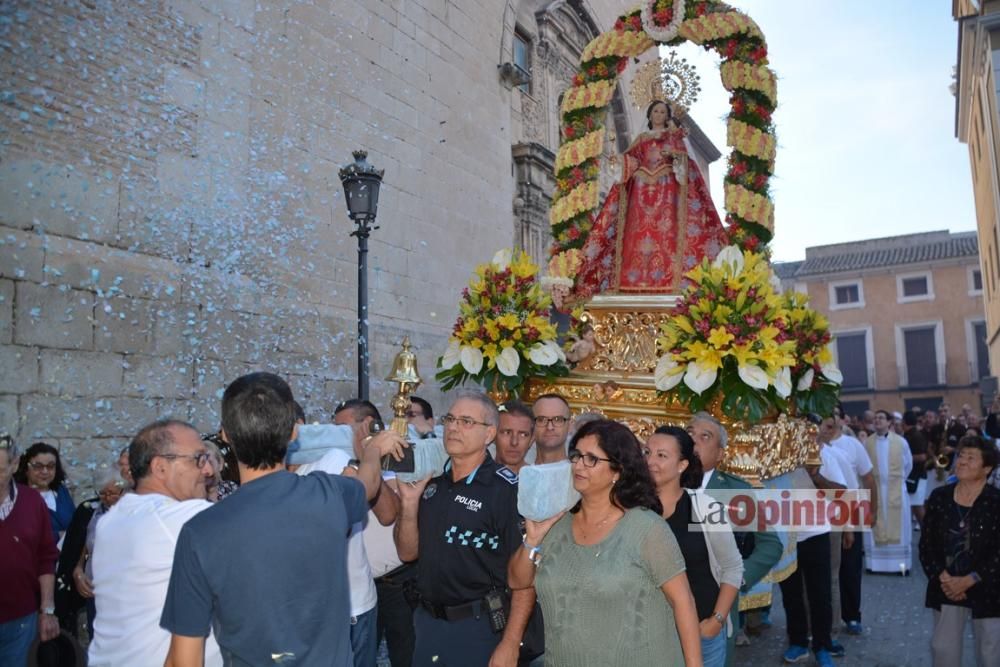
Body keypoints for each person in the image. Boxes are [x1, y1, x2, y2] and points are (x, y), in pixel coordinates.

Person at [160, 373, 404, 666]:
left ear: (225, 434)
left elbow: (184, 659)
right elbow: (369, 484)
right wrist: (373, 450)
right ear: (293, 433)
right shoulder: (328, 495)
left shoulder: (200, 532)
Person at [509, 419, 702, 666]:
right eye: (576, 456)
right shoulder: (556, 523)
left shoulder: (646, 528)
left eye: (591, 459)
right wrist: (533, 540)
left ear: (618, 470)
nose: (579, 465)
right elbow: (518, 581)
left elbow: (683, 602)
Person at [394, 390, 532, 666]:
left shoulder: (505, 491)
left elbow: (526, 577)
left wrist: (510, 643)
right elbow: (407, 553)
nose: (454, 428)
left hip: (477, 627)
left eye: (467, 422)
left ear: (489, 434)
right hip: (427, 623)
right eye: (450, 419)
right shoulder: (432, 484)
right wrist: (409, 504)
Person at [87, 420, 223, 667]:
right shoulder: (181, 519)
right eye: (199, 459)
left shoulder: (111, 520)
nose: (208, 471)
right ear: (160, 467)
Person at [571, 99, 726, 300]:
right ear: (650, 115)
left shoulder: (673, 138)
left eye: (663, 112)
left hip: (667, 192)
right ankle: (631, 280)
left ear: (667, 116)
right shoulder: (642, 139)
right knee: (637, 231)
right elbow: (632, 160)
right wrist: (621, 160)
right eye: (655, 111)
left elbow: (684, 165)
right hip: (640, 193)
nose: (659, 115)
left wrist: (675, 155)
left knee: (666, 231)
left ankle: (668, 278)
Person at [687, 412, 783, 664]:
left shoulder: (735, 491)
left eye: (704, 437)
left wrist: (737, 579)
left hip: (714, 608)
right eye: (689, 434)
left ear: (720, 454)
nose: (693, 441)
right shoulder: (660, 484)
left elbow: (770, 545)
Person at [646, 426, 743, 667]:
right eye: (647, 452)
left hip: (702, 631)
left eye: (662, 455)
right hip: (648, 637)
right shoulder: (633, 509)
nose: (650, 461)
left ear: (682, 465)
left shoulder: (704, 508)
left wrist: (716, 620)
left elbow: (732, 567)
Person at [919, 436, 1000, 666]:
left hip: (989, 586)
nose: (962, 461)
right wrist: (944, 578)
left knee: (991, 653)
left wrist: (971, 579)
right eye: (961, 456)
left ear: (987, 468)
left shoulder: (996, 502)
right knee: (944, 651)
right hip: (946, 586)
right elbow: (927, 546)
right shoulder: (939, 497)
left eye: (971, 458)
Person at [778, 415, 848, 667]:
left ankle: (822, 645)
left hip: (816, 532)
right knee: (791, 593)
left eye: (809, 431)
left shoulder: (825, 456)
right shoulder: (779, 455)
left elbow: (841, 493)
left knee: (820, 593)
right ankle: (797, 641)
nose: (805, 436)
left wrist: (816, 477)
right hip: (786, 533)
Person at [0, 433, 60, 665]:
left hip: (21, 621)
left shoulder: (33, 502)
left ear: (15, 465)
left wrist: (48, 610)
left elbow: (46, 558)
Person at [827, 404, 877, 636]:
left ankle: (852, 615)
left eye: (835, 414)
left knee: (850, 565)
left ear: (842, 419)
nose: (831, 419)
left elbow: (868, 478)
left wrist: (872, 510)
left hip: (851, 509)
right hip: (819, 513)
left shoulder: (852, 445)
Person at [71, 467, 126, 637]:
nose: (107, 498)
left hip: (123, 593)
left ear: (123, 491)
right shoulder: (91, 512)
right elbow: (82, 547)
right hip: (95, 590)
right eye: (102, 493)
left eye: (112, 493)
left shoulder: (132, 513)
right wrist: (78, 570)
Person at [864, 410, 914, 573]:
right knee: (876, 524)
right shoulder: (867, 443)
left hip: (895, 491)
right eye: (876, 418)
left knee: (899, 526)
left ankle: (900, 565)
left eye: (881, 418)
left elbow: (908, 465)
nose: (877, 420)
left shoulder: (901, 442)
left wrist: (897, 481)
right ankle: (875, 565)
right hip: (876, 490)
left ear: (889, 423)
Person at [14, 442, 76, 547]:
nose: (45, 471)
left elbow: (75, 524)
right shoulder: (17, 497)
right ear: (26, 469)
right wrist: (58, 536)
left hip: (65, 560)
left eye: (51, 466)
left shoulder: (62, 492)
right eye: (38, 466)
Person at [902, 411, 929, 527]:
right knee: (914, 506)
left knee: (918, 506)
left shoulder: (916, 436)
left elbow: (922, 456)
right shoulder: (909, 435)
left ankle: (928, 534)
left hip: (917, 476)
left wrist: (903, 459)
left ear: (904, 422)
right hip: (913, 476)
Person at [494, 400, 535, 473]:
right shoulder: (474, 480)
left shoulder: (540, 482)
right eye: (507, 432)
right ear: (493, 435)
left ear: (531, 439)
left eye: (523, 434)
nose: (514, 442)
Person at [532, 394, 571, 464]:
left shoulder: (578, 472)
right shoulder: (519, 471)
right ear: (531, 425)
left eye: (558, 419)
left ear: (569, 426)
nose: (549, 427)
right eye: (541, 420)